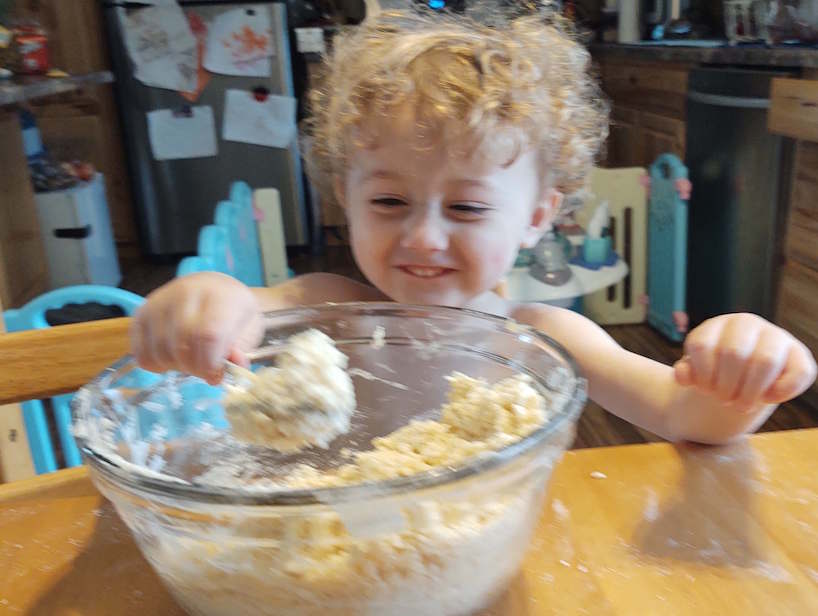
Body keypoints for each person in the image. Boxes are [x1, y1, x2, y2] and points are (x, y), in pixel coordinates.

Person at [132, 8, 816, 445]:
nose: (424, 237)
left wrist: (744, 379)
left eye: (466, 208)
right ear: (346, 196)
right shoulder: (324, 309)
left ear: (536, 217)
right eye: (390, 203)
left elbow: (678, 415)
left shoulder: (544, 340)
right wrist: (209, 299)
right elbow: (244, 310)